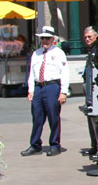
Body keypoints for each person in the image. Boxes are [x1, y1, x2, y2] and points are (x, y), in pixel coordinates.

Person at [21, 26, 69, 156]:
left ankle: (55, 144)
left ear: (53, 39)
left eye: (47, 38)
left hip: (52, 86)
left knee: (53, 116)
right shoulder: (36, 54)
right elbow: (31, 73)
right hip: (38, 87)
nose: (45, 41)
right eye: (43, 38)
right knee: (37, 116)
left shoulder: (59, 53)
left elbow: (64, 73)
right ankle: (35, 145)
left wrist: (63, 91)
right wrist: (31, 90)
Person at [80, 26, 98, 158]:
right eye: (85, 37)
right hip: (88, 91)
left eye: (90, 37)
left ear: (96, 36)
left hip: (95, 90)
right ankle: (94, 146)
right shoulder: (90, 50)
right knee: (89, 118)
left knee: (96, 119)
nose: (87, 39)